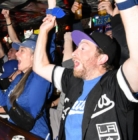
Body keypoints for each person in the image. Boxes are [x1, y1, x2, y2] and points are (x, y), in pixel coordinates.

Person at [33, 11, 138, 140]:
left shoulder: (116, 84)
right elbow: (39, 66)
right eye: (77, 48)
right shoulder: (72, 79)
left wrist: (125, 6)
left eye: (83, 48)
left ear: (102, 59)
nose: (74, 53)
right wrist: (43, 31)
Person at [0, 35, 54, 139]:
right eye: (18, 50)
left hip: (36, 135)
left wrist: (45, 30)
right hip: (16, 131)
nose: (16, 53)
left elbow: (49, 51)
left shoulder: (41, 78)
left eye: (22, 50)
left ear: (34, 57)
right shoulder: (19, 77)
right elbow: (4, 101)